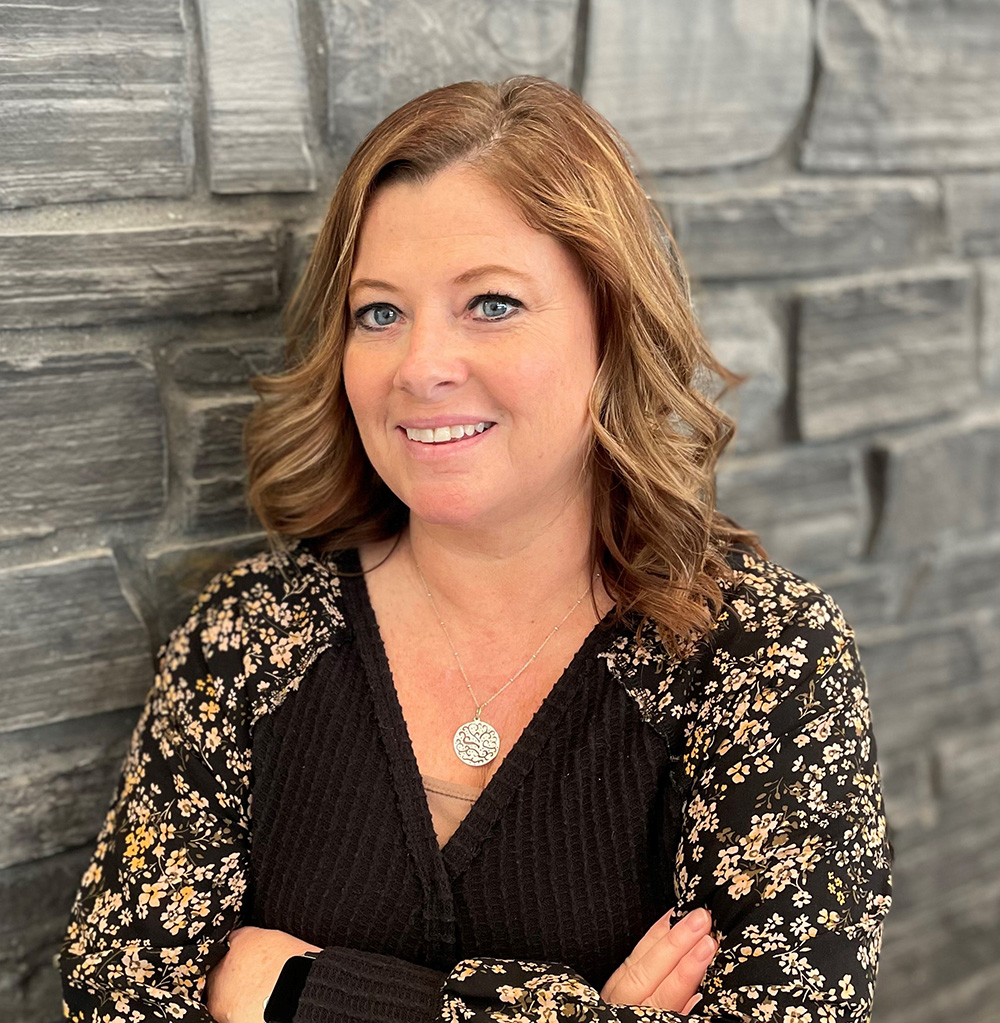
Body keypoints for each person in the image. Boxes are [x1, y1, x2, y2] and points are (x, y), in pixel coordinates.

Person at [58, 76, 892, 1023]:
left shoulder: (757, 654)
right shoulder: (252, 637)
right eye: (379, 312)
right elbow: (115, 990)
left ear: (612, 326)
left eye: (490, 303)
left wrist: (299, 992)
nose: (419, 367)